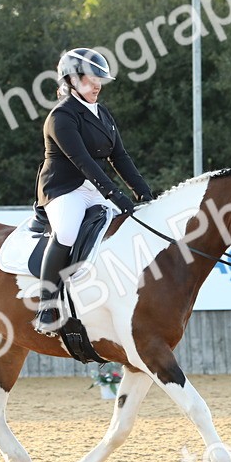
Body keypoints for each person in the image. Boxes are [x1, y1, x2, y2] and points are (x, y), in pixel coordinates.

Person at [32, 47, 154, 337]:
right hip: (63, 189)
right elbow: (83, 162)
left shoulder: (103, 113)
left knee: (122, 230)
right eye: (89, 79)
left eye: (99, 79)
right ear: (71, 81)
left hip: (91, 187)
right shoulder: (61, 117)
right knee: (67, 232)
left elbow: (120, 157)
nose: (97, 84)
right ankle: (47, 305)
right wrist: (117, 197)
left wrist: (144, 194)